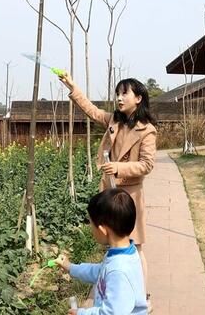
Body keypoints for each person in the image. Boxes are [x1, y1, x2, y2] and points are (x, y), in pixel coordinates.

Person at [59, 73, 156, 305]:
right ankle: (112, 288)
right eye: (118, 94)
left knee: (136, 247)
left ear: (138, 98)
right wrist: (73, 87)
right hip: (110, 192)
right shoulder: (114, 120)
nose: (120, 98)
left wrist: (119, 167)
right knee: (113, 242)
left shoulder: (147, 130)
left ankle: (141, 297)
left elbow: (147, 164)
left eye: (125, 93)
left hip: (130, 195)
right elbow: (90, 110)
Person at [56, 188, 148, 315]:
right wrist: (71, 267)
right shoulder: (124, 252)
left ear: (103, 230)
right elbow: (100, 272)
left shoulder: (119, 270)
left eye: (91, 224)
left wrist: (81, 313)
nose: (91, 229)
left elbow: (111, 313)